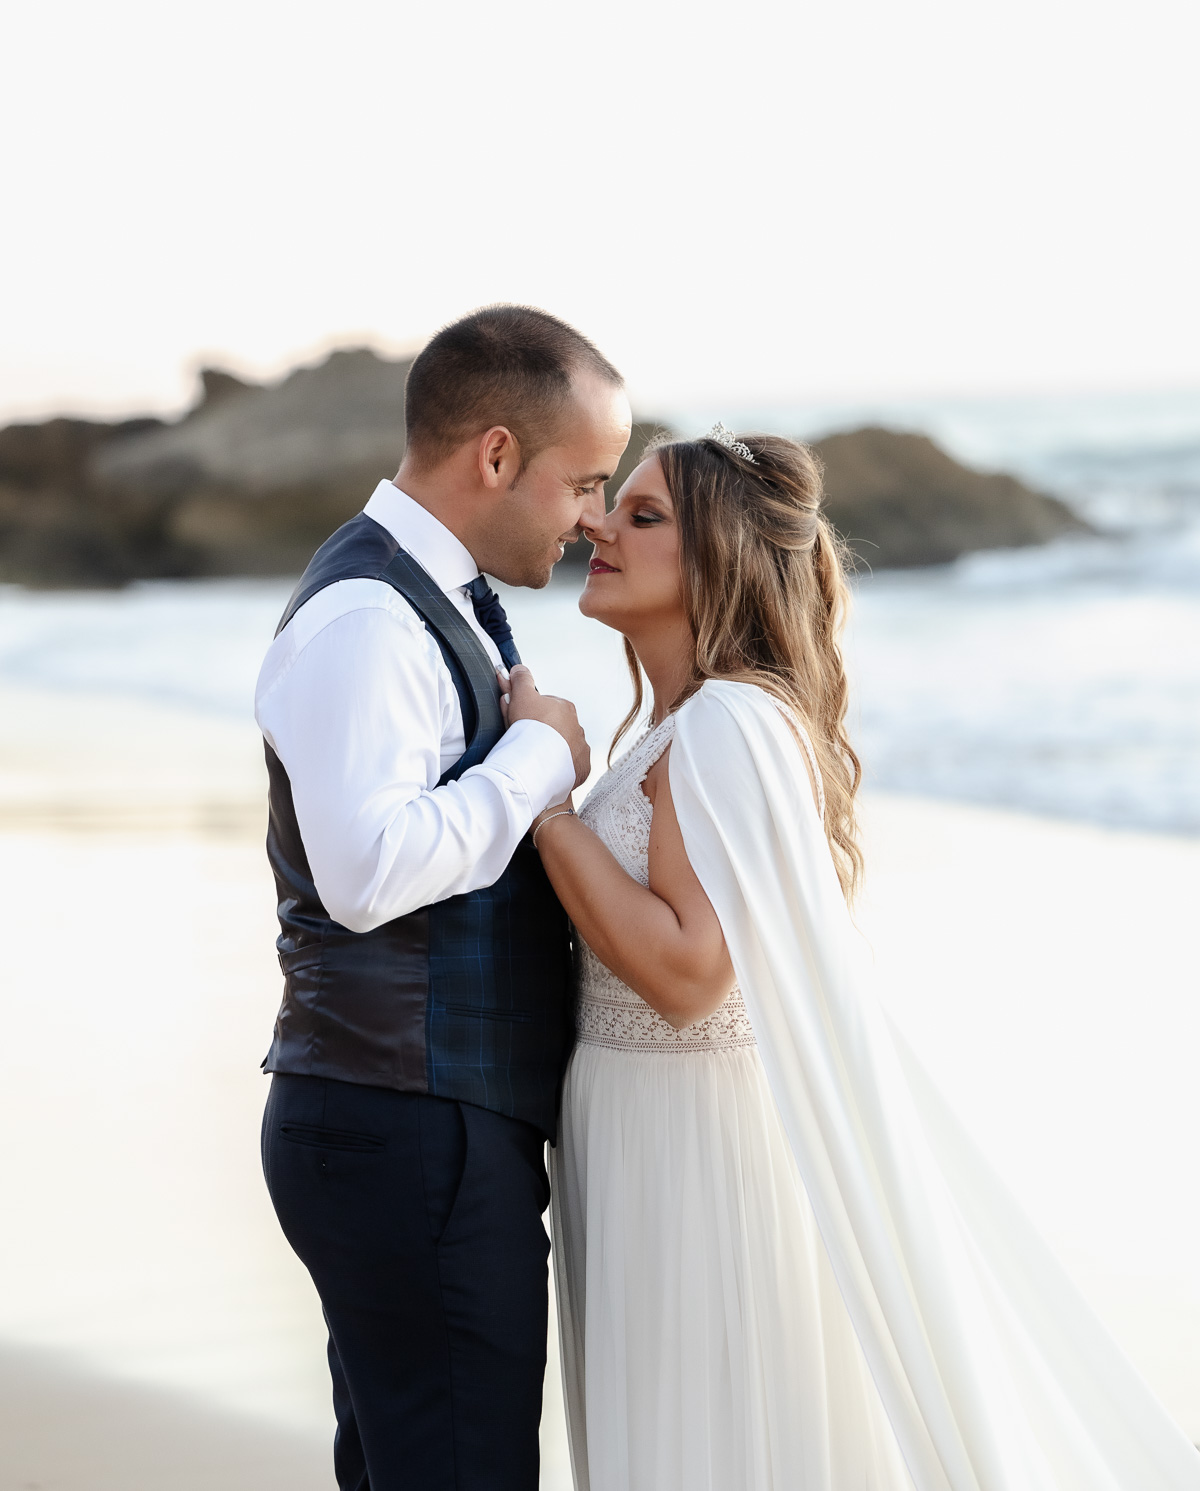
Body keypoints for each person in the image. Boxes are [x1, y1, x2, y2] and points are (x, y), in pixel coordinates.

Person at [527, 426, 1200, 1491]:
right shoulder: (673, 728)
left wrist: (545, 806)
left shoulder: (728, 725)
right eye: (618, 505)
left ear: (726, 560)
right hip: (635, 1127)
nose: (601, 525)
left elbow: (693, 976)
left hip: (695, 1145)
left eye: (645, 515)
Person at [255, 304, 631, 1491]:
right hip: (408, 1128)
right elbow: (366, 876)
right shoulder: (370, 617)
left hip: (411, 1122)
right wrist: (537, 764)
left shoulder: (429, 595)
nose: (592, 521)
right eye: (587, 482)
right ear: (499, 456)